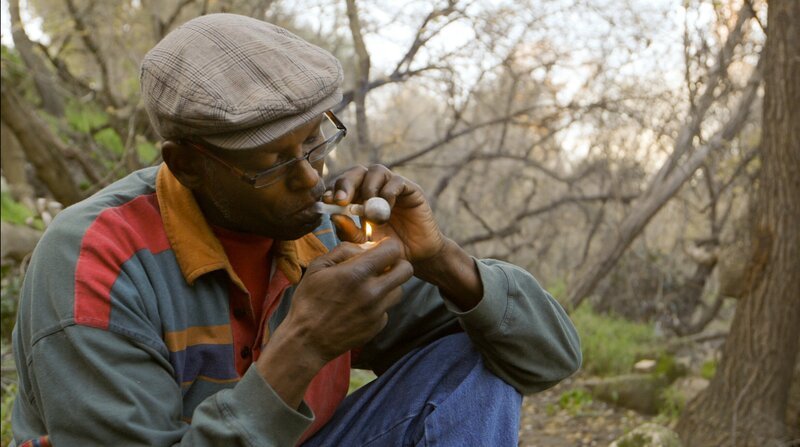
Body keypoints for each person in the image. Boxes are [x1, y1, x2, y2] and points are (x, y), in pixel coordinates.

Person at [11, 13, 581, 447]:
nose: (310, 176)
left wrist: (439, 258)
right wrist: (305, 343)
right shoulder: (95, 262)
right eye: (272, 162)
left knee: (473, 364)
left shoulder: (327, 236)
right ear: (187, 165)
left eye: (314, 141)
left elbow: (546, 359)